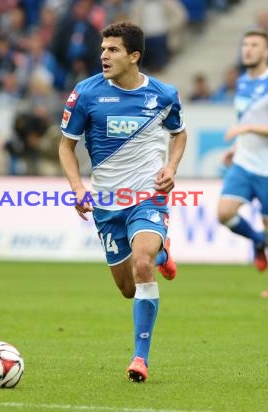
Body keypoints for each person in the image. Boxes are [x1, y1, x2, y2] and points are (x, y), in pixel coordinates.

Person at [59, 22, 187, 383]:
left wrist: (172, 167)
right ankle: (163, 253)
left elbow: (179, 135)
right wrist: (77, 187)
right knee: (129, 288)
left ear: (134, 56)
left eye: (113, 50)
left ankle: (139, 359)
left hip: (148, 195)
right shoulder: (86, 93)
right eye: (102, 48)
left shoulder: (163, 94)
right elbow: (66, 145)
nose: (103, 55)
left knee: (142, 264)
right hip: (106, 203)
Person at [217, 29, 268, 298]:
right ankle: (257, 240)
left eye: (254, 45)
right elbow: (245, 120)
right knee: (224, 213)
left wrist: (247, 128)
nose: (247, 49)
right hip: (244, 163)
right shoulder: (242, 82)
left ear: (267, 51)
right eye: (245, 44)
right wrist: (236, 147)